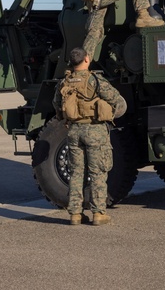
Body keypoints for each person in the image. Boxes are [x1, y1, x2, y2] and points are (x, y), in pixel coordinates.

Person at [51, 46, 128, 226]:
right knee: (98, 171)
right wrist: (107, 114)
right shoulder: (95, 80)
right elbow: (118, 102)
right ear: (86, 60)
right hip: (94, 130)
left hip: (73, 131)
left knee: (76, 172)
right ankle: (98, 213)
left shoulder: (64, 82)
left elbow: (56, 105)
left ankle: (75, 214)